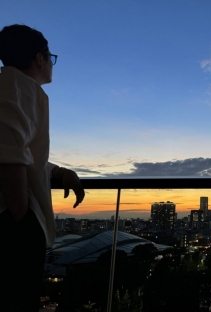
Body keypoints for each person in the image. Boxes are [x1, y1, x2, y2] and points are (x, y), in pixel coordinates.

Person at [0, 24, 85, 311]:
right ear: (39, 58)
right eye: (52, 58)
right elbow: (9, 152)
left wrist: (58, 172)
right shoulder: (14, 86)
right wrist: (21, 214)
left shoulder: (17, 88)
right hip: (12, 225)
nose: (52, 65)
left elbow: (23, 153)